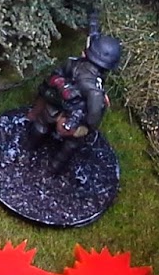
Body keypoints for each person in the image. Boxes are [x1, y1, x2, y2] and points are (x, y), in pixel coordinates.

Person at [26, 31, 123, 176]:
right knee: (71, 144)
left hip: (58, 107)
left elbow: (55, 74)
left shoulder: (74, 63)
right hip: (67, 110)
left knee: (42, 124)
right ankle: (52, 169)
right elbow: (93, 116)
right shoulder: (94, 90)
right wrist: (86, 124)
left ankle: (29, 147)